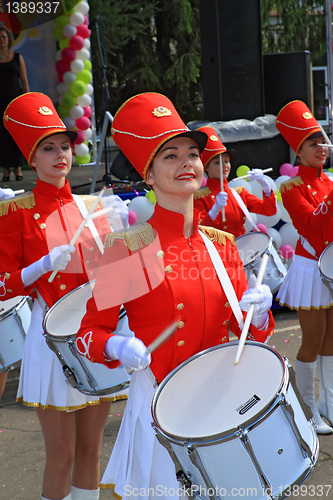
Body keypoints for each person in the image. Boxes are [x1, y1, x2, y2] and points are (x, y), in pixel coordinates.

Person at [75, 92, 275, 499]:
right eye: (170, 155)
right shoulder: (128, 247)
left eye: (191, 153)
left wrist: (258, 316)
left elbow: (247, 339)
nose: (186, 162)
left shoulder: (221, 245)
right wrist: (117, 343)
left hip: (225, 401)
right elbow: (88, 335)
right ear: (147, 175)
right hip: (163, 407)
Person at [0, 92, 129, 500]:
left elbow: (115, 280)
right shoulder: (16, 211)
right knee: (61, 455)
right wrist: (39, 268)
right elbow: (2, 283)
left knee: (92, 449)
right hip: (52, 336)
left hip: (95, 331)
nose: (60, 155)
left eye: (65, 146)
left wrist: (132, 241)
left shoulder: (93, 207)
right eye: (48, 148)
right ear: (31, 160)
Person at [276, 100, 333, 435]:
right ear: (298, 151)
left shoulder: (329, 181)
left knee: (332, 341)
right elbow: (311, 226)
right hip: (310, 268)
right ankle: (309, 410)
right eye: (313, 144)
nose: (321, 149)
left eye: (323, 142)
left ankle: (329, 404)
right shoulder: (290, 187)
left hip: (332, 264)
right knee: (312, 339)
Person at [193, 126, 277, 237]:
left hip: (239, 249)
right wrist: (215, 210)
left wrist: (265, 186)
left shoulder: (238, 193)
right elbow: (200, 232)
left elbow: (269, 211)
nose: (224, 166)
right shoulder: (200, 197)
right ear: (206, 168)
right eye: (217, 163)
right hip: (217, 252)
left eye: (226, 161)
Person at [0, 24, 30, 182]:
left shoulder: (17, 57)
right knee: (2, 137)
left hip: (15, 101)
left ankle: (18, 168)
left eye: (3, 37)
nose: (1, 41)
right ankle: (5, 171)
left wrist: (27, 102)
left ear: (8, 39)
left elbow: (24, 82)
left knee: (15, 134)